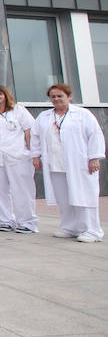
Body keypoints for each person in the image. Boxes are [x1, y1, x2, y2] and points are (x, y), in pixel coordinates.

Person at [31, 83, 105, 243]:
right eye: (53, 97)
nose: (56, 99)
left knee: (85, 196)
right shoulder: (44, 116)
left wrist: (94, 157)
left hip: (80, 164)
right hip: (56, 164)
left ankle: (92, 230)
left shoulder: (83, 114)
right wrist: (35, 155)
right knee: (64, 198)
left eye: (60, 96)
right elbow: (35, 136)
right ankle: (70, 227)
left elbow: (95, 135)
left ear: (69, 97)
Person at [0, 84, 37, 234]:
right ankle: (5, 220)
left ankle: (27, 222)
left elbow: (29, 130)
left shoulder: (18, 110)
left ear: (6, 95)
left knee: (22, 189)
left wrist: (32, 151)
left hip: (18, 156)